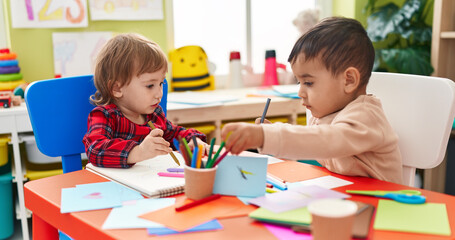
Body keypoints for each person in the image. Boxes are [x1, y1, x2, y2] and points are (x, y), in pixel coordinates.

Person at [221, 17, 403, 184]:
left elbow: (324, 142)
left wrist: (266, 136)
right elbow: (312, 145)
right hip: (347, 199)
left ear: (349, 80)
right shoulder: (328, 113)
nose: (300, 92)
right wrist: (272, 130)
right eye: (299, 82)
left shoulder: (365, 117)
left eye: (308, 82)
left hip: (384, 209)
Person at [83, 33, 207, 168]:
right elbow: (95, 149)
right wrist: (138, 152)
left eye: (161, 83)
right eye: (150, 86)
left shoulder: (154, 115)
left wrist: (193, 140)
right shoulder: (105, 116)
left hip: (149, 183)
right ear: (117, 88)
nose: (159, 94)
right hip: (113, 185)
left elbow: (175, 133)